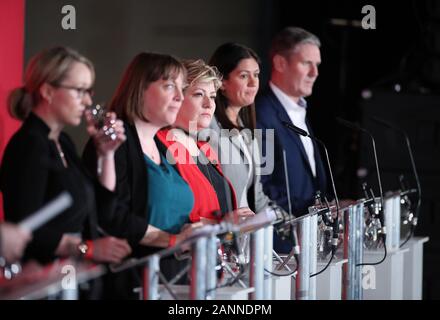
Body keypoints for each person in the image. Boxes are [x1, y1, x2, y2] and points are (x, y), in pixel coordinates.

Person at [0, 46, 132, 266]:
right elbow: (24, 228)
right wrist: (86, 248)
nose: (88, 102)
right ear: (48, 91)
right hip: (41, 281)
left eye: (89, 92)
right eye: (79, 90)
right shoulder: (29, 145)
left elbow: (102, 210)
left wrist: (107, 155)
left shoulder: (63, 141)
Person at [83, 52, 197, 299]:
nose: (180, 97)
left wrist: (193, 230)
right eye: (169, 86)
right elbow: (111, 215)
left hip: (175, 277)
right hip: (133, 281)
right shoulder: (114, 143)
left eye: (182, 88)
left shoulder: (164, 147)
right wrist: (171, 239)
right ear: (140, 89)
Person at [255, 27, 328, 253]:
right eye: (306, 63)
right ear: (280, 63)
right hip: (280, 246)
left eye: (317, 65)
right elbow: (262, 185)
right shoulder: (261, 114)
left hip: (309, 240)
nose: (314, 72)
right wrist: (304, 214)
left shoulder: (299, 111)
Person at [158, 59, 252, 223]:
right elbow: (165, 215)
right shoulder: (159, 143)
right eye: (199, 94)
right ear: (177, 97)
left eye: (213, 96)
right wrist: (221, 224)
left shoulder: (205, 148)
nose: (209, 104)